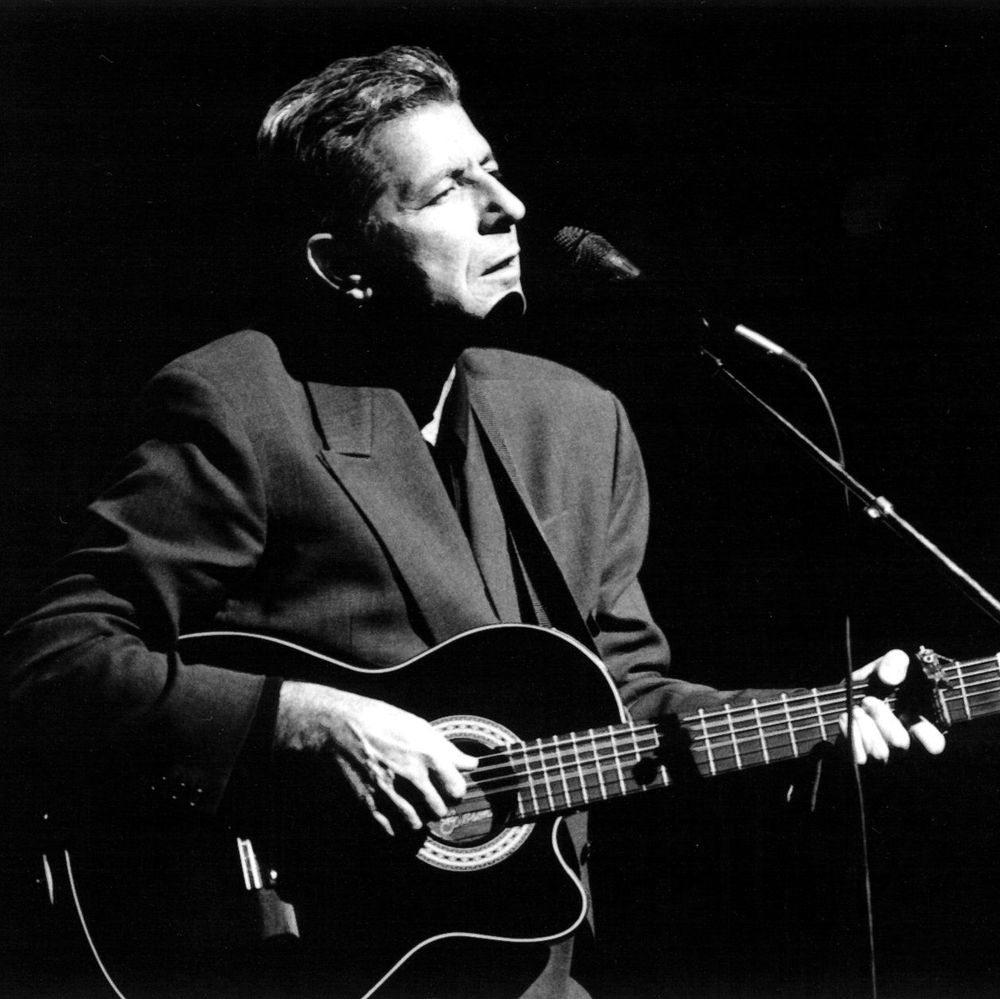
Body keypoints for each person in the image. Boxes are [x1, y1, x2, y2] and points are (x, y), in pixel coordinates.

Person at [0, 45, 944, 999]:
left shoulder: (577, 421)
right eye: (448, 188)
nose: (510, 206)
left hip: (531, 973)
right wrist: (309, 722)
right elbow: (52, 660)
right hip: (303, 959)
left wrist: (821, 716)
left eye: (491, 166)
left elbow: (627, 700)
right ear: (343, 264)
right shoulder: (242, 402)